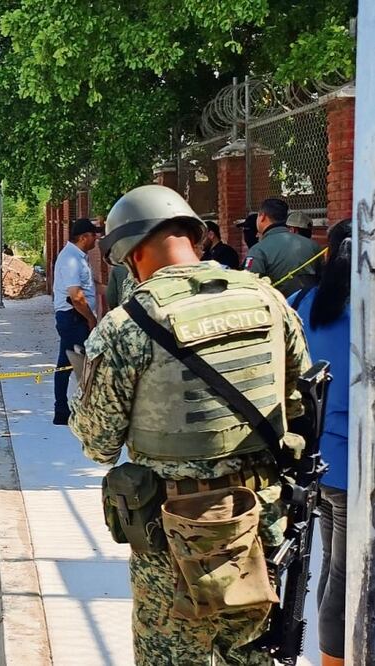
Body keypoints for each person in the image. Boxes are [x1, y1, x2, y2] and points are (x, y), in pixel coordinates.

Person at [71, 184, 310, 665]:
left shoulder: (127, 326)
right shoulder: (268, 301)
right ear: (194, 236)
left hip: (174, 533)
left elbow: (96, 444)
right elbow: (299, 401)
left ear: (134, 253)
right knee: (255, 653)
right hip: (260, 521)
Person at [289, 220, 351, 666]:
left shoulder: (300, 303)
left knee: (332, 566)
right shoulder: (362, 312)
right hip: (353, 464)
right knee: (346, 574)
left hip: (314, 459)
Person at [51, 217, 101, 425]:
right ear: (83, 237)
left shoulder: (78, 256)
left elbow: (90, 286)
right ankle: (70, 410)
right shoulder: (71, 259)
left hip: (74, 318)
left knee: (71, 363)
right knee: (75, 365)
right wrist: (91, 319)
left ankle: (65, 411)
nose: (96, 240)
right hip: (74, 318)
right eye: (93, 236)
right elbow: (76, 296)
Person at [244, 197, 323, 295]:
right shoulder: (313, 246)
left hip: (278, 308)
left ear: (263, 216)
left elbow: (249, 288)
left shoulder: (258, 250)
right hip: (308, 307)